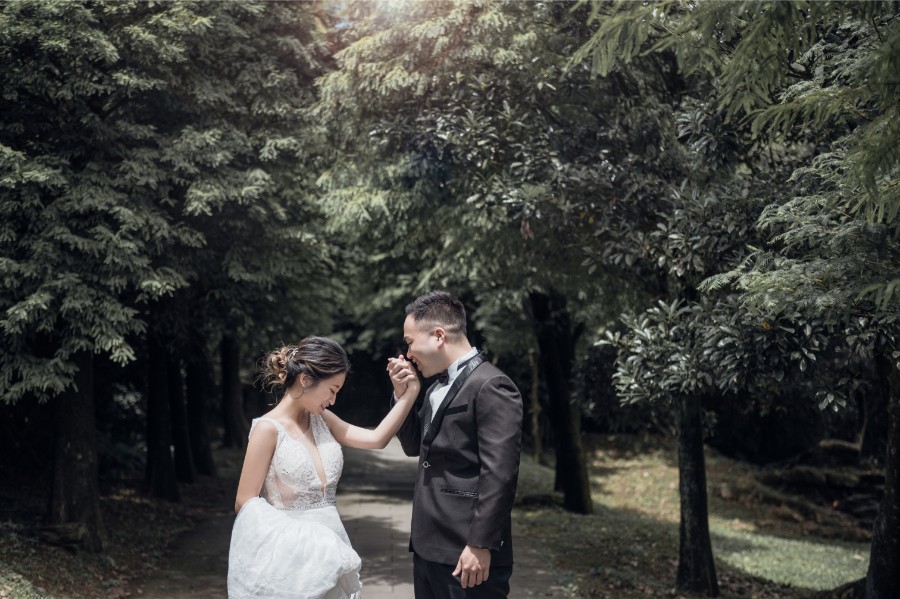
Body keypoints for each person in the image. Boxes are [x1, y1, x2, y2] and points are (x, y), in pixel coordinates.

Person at [228, 335, 420, 599]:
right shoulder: (267, 429)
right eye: (332, 390)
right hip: (291, 557)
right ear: (306, 380)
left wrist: (409, 395)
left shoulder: (322, 419)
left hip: (334, 548)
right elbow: (244, 503)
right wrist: (306, 539)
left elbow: (377, 439)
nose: (333, 401)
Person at [393, 291, 524, 598]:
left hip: (468, 552)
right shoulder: (432, 388)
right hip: (427, 548)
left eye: (410, 342)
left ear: (439, 335)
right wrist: (403, 395)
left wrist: (480, 544)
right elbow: (415, 447)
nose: (408, 352)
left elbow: (500, 474)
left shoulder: (493, 385)